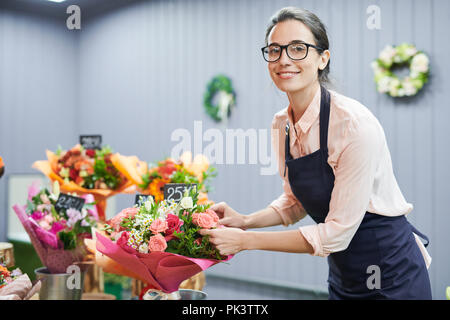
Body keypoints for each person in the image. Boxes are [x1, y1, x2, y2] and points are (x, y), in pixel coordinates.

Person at [199, 7, 432, 300]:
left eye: (298, 48)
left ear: (323, 58)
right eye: (274, 50)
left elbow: (335, 233)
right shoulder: (281, 124)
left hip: (392, 272)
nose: (284, 59)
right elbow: (295, 202)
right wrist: (246, 220)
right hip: (343, 274)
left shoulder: (353, 125)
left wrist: (245, 241)